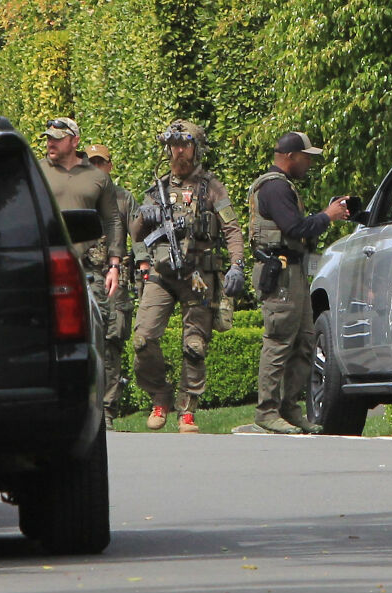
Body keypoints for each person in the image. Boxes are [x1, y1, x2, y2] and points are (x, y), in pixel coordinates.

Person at [130, 119, 245, 433]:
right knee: (143, 339)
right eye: (174, 145)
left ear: (196, 148)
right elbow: (136, 233)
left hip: (197, 274)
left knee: (194, 345)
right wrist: (144, 215)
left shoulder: (211, 186)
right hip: (161, 274)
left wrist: (237, 265)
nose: (178, 151)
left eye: (185, 145)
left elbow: (233, 231)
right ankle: (159, 395)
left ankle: (187, 410)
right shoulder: (158, 187)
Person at [249, 131, 350, 434]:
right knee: (279, 341)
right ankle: (267, 410)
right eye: (306, 157)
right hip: (279, 274)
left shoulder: (284, 186)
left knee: (304, 342)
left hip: (293, 273)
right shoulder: (275, 188)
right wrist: (328, 216)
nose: (309, 163)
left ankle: (289, 407)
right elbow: (294, 227)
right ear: (290, 156)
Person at [39, 118, 126, 426]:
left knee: (99, 333)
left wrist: (115, 264)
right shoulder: (37, 171)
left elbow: (113, 221)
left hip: (90, 267)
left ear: (74, 141)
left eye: (57, 139)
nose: (50, 143)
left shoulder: (97, 179)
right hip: (48, 268)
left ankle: (103, 410)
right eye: (48, 138)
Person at [87, 144, 138, 430]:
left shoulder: (123, 198)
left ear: (110, 166)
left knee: (111, 343)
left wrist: (144, 267)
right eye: (91, 162)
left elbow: (139, 235)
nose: (96, 167)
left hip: (114, 280)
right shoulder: (78, 196)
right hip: (84, 276)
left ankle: (107, 411)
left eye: (100, 162)